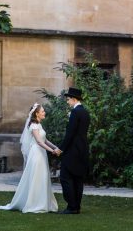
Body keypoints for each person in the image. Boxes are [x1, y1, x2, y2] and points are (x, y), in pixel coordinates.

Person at [0, 103, 60, 213]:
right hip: (36, 154)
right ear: (37, 113)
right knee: (37, 178)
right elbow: (39, 142)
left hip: (42, 154)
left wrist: (56, 147)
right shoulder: (33, 126)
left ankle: (43, 202)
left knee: (43, 177)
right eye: (43, 111)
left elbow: (45, 140)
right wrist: (53, 151)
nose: (44, 113)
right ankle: (35, 204)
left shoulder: (39, 125)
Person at [55, 87, 90, 215]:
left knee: (65, 177)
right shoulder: (85, 112)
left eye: (68, 99)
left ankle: (71, 206)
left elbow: (70, 134)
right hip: (83, 150)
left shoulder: (75, 113)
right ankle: (76, 207)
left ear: (74, 99)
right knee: (78, 179)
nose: (67, 101)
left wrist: (60, 149)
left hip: (73, 151)